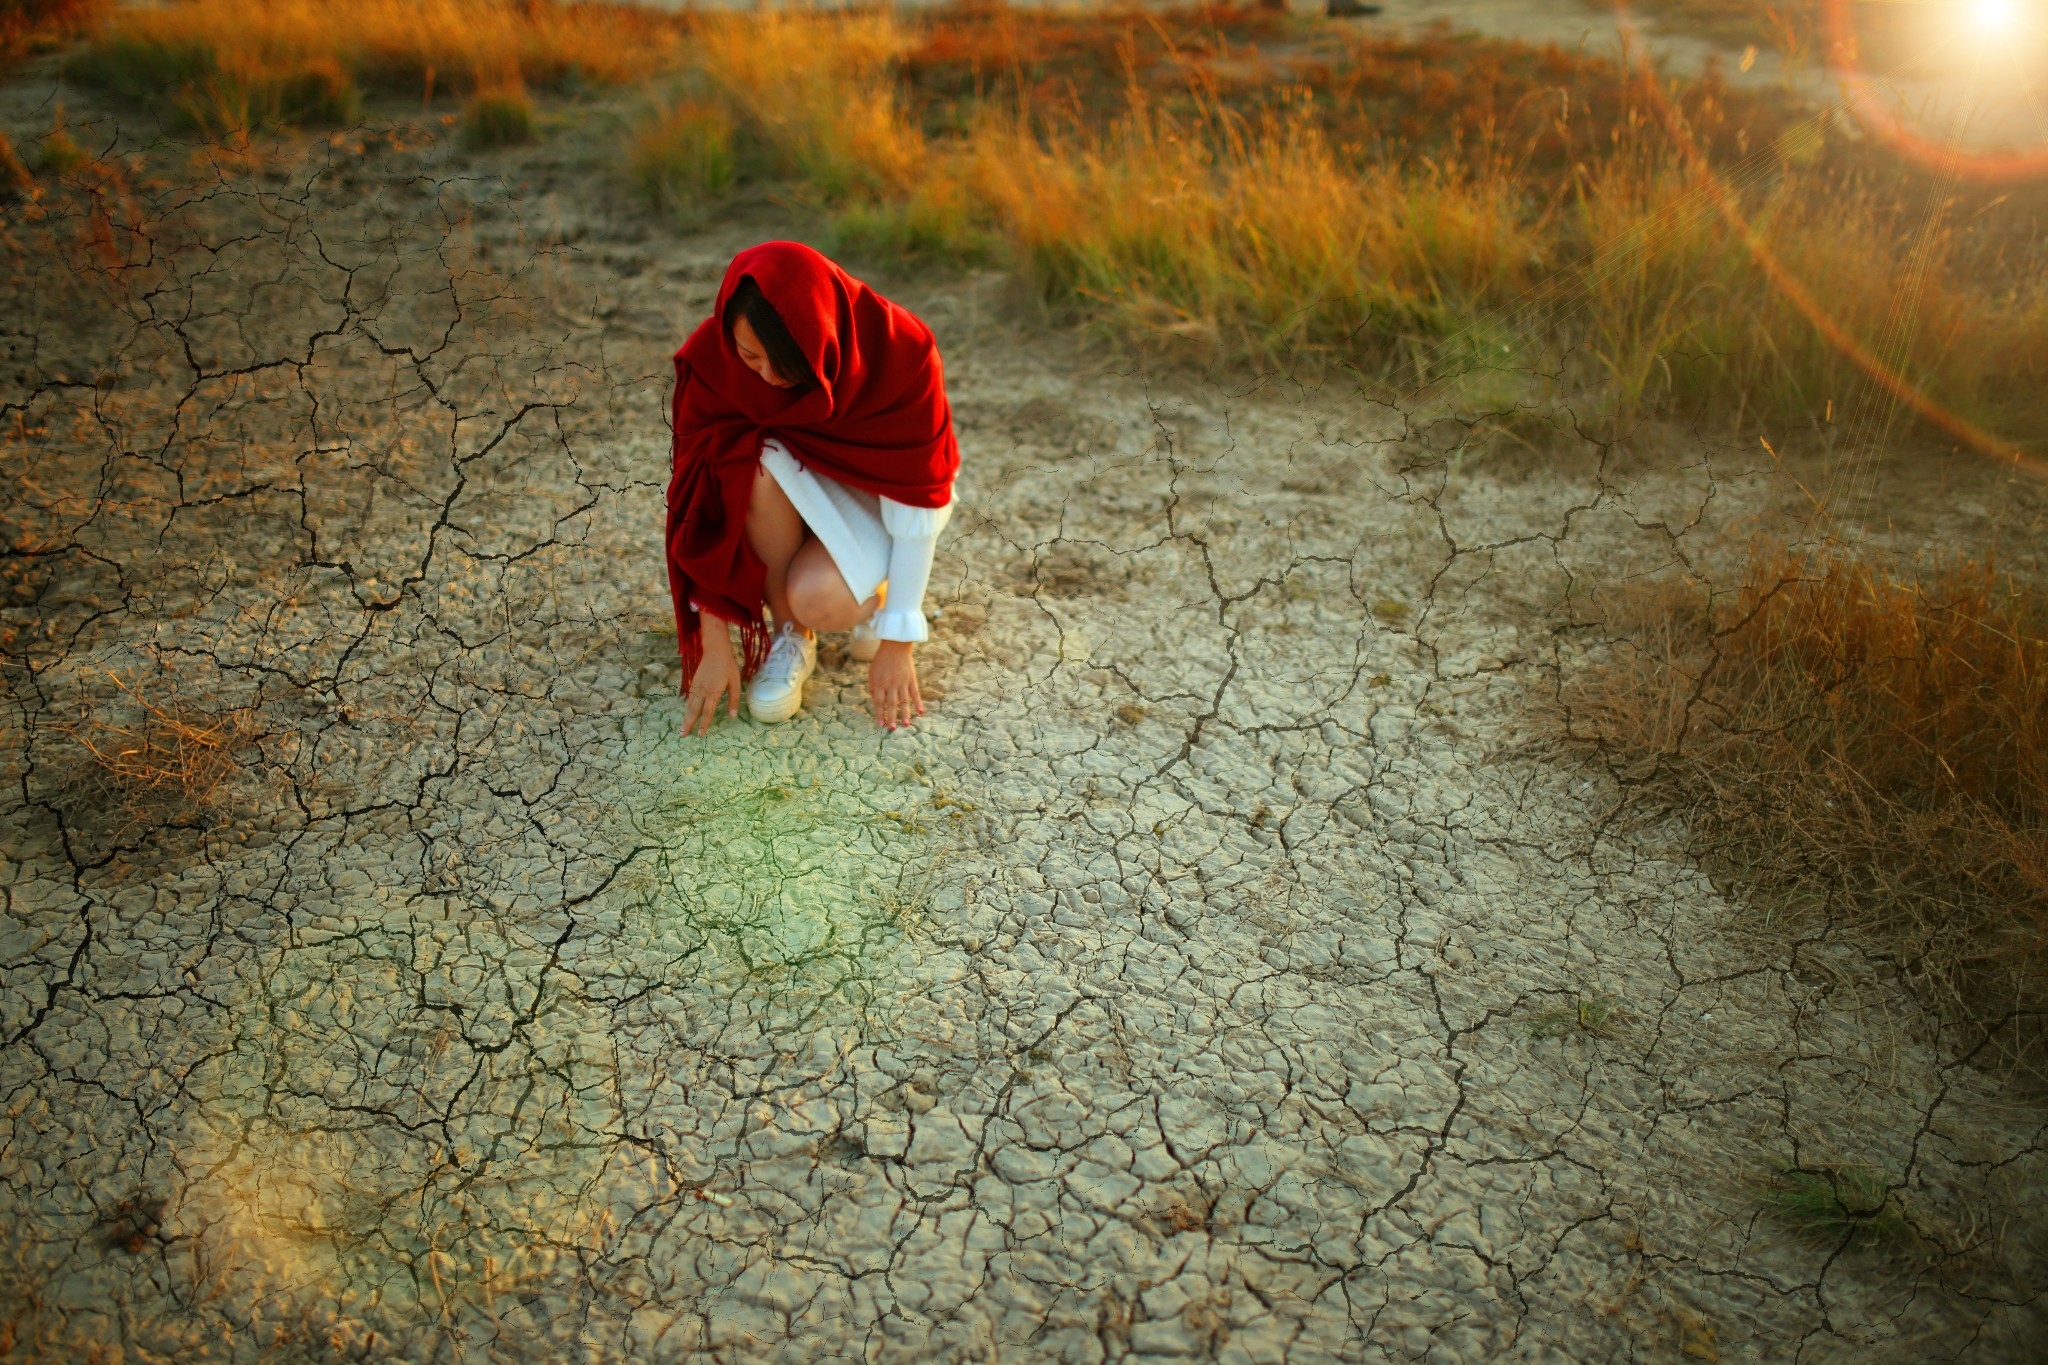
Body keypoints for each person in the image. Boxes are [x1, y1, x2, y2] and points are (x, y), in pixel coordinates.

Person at [665, 241, 960, 737]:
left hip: (877, 495)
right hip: (787, 482)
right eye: (751, 356)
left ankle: (874, 593)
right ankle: (790, 634)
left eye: (791, 364)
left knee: (823, 598)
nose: (770, 378)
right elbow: (699, 498)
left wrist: (897, 641)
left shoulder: (901, 352)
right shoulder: (712, 363)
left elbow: (916, 499)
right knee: (747, 460)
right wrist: (714, 646)